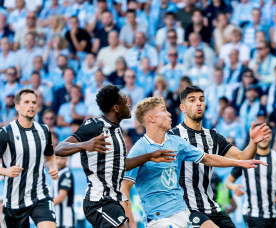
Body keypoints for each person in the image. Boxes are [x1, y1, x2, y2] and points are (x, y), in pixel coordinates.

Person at [122, 96, 268, 228]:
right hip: (160, 219)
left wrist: (239, 163)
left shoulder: (176, 142)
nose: (169, 114)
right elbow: (125, 188)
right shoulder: (139, 149)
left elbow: (207, 158)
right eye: (163, 111)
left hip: (184, 213)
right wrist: (131, 222)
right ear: (151, 118)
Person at [55, 85, 178, 228]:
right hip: (98, 200)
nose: (128, 104)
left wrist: (150, 156)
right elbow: (59, 148)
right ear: (116, 108)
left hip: (113, 200)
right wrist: (84, 145)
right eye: (125, 102)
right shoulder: (94, 125)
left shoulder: (117, 131)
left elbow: (120, 165)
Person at [167, 86, 271, 227]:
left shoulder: (213, 136)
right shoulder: (173, 136)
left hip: (211, 207)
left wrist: (253, 142)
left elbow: (242, 157)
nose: (198, 103)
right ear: (182, 108)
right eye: (192, 100)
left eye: (201, 100)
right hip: (187, 209)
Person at [0, 89, 59, 228]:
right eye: (26, 102)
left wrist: (53, 167)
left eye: (34, 102)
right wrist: (5, 171)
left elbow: (50, 155)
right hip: (14, 201)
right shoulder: (5, 133)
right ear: (17, 107)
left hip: (40, 194)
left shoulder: (44, 130)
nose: (31, 105)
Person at [226, 124, 276, 228]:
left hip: (272, 214)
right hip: (252, 214)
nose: (263, 138)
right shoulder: (246, 158)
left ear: (271, 136)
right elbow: (228, 182)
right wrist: (234, 187)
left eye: (266, 134)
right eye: (259, 134)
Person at [53, 156, 75, 228]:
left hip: (66, 220)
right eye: (57, 158)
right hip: (57, 218)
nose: (59, 161)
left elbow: (61, 196)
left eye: (61, 158)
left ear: (66, 159)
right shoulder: (57, 173)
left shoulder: (66, 174)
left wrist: (46, 206)